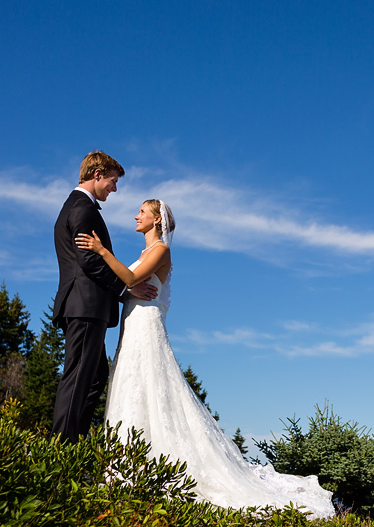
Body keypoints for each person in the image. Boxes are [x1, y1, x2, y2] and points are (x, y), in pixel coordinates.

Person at [75, 200, 335, 519]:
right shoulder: (144, 253)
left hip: (146, 328)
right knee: (132, 391)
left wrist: (101, 251)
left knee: (152, 390)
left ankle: (153, 471)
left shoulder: (161, 251)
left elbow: (130, 279)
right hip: (132, 328)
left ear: (156, 221)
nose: (136, 216)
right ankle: (127, 471)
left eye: (142, 212)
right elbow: (127, 283)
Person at [52, 150, 156, 444]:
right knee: (77, 379)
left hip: (84, 305)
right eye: (112, 181)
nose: (115, 188)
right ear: (97, 175)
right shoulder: (83, 209)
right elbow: (89, 261)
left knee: (95, 378)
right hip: (86, 306)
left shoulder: (75, 206)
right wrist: (126, 290)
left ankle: (73, 444)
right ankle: (60, 450)